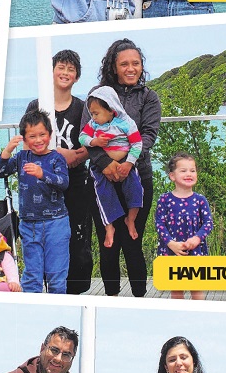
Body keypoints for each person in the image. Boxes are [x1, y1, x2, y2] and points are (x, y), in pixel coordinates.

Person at [83, 39, 161, 297]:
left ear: (141, 66)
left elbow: (148, 136)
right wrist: (106, 165)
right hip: (102, 179)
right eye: (124, 64)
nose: (131, 68)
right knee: (109, 243)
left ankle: (140, 296)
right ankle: (111, 297)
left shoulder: (149, 97)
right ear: (113, 67)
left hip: (137, 175)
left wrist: (126, 162)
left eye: (135, 63)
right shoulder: (97, 95)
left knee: (132, 242)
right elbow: (87, 136)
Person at [25, 49, 94, 294]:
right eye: (61, 67)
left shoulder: (83, 107)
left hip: (76, 181)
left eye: (71, 69)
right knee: (44, 239)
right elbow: (28, 142)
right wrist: (58, 155)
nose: (65, 73)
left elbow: (91, 143)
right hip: (44, 186)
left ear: (77, 77)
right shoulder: (37, 105)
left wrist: (73, 157)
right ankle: (49, 288)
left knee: (77, 236)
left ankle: (75, 290)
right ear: (51, 72)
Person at [0, 109, 71, 293]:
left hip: (56, 223)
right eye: (32, 136)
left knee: (56, 274)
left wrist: (42, 174)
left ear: (50, 135)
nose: (38, 140)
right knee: (32, 274)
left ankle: (58, 311)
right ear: (24, 138)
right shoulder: (22, 157)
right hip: (29, 224)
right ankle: (33, 311)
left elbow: (64, 183)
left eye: (42, 135)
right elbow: (0, 172)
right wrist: (7, 151)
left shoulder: (56, 158)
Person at [81, 86, 144, 249]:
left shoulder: (126, 123)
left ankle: (130, 219)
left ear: (111, 109)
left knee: (136, 188)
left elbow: (137, 143)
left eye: (96, 113)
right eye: (92, 114)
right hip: (101, 167)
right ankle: (109, 226)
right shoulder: (93, 125)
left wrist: (129, 163)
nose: (93, 117)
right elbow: (82, 137)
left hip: (125, 164)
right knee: (103, 193)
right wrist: (93, 142)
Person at [155, 153, 213, 301]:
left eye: (192, 170)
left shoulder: (200, 200)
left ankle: (199, 318)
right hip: (171, 251)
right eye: (183, 170)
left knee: (197, 289)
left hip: (196, 251)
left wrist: (197, 238)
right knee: (176, 290)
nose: (189, 174)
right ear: (172, 176)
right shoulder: (164, 199)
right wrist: (171, 243)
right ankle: (178, 318)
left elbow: (208, 223)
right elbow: (159, 223)